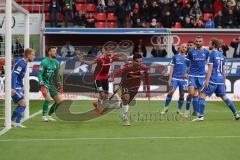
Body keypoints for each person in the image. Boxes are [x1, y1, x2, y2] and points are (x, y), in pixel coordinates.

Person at [193, 38, 240, 121]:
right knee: (224, 97)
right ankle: (236, 113)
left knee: (202, 95)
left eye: (210, 43)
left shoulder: (212, 54)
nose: (208, 45)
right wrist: (224, 82)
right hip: (220, 80)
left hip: (213, 79)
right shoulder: (221, 55)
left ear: (214, 45)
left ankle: (200, 116)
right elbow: (224, 70)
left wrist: (206, 81)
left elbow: (210, 69)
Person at [79, 48, 125, 115]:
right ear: (106, 52)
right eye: (109, 52)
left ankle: (97, 104)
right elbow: (91, 63)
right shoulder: (100, 58)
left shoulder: (112, 58)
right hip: (98, 78)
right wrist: (82, 60)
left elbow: (122, 58)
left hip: (105, 79)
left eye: (112, 52)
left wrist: (126, 56)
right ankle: (98, 109)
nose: (111, 54)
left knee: (106, 97)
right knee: (102, 95)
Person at [109, 54, 150, 126]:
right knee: (126, 99)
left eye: (141, 61)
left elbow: (147, 80)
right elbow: (117, 72)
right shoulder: (127, 68)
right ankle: (125, 119)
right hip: (126, 86)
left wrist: (148, 91)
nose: (139, 63)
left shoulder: (144, 69)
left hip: (135, 88)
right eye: (137, 61)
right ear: (133, 61)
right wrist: (112, 77)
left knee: (123, 104)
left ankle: (108, 106)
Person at [161, 43, 189, 115]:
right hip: (175, 78)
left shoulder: (188, 58)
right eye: (182, 47)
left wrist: (187, 73)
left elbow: (190, 68)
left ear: (186, 49)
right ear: (179, 48)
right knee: (171, 92)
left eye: (185, 47)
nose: (184, 48)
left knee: (182, 95)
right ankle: (165, 108)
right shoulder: (175, 57)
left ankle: (179, 110)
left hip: (183, 80)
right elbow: (172, 68)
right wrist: (170, 78)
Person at [185, 36, 209, 118]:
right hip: (192, 75)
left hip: (201, 76)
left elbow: (208, 63)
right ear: (195, 42)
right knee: (191, 93)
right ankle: (187, 109)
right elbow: (187, 63)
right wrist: (186, 72)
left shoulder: (206, 52)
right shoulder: (191, 52)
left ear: (202, 42)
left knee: (199, 95)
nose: (198, 43)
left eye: (200, 41)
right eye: (197, 41)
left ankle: (197, 112)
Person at [11, 48, 36, 128]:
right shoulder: (21, 63)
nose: (34, 57)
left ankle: (11, 121)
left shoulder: (24, 63)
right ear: (28, 55)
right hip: (15, 87)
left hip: (18, 87)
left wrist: (21, 86)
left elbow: (19, 76)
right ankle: (17, 123)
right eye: (33, 55)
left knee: (21, 104)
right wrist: (13, 87)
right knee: (23, 104)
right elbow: (14, 75)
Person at [38, 47, 63, 122]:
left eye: (55, 51)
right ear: (49, 52)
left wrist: (59, 84)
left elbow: (56, 75)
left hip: (51, 84)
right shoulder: (44, 62)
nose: (55, 52)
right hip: (44, 83)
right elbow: (39, 73)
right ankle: (44, 116)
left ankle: (49, 115)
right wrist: (41, 82)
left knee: (59, 101)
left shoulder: (56, 63)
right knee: (48, 99)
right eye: (53, 51)